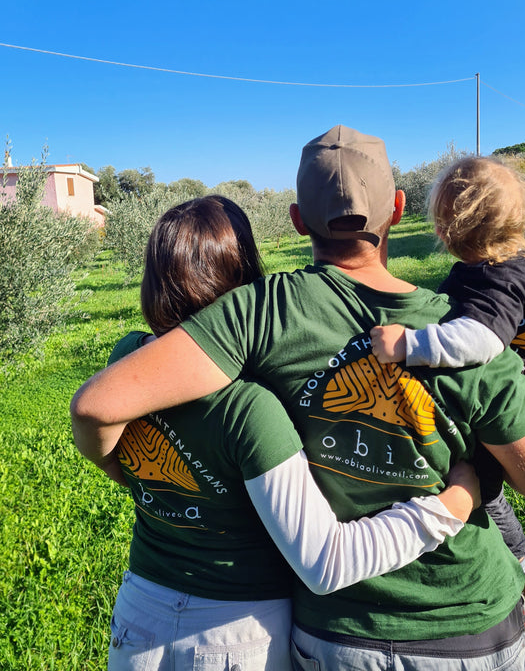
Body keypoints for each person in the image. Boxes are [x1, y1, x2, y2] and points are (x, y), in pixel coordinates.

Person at [71, 126, 525, 671]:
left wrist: (138, 473)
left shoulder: (255, 313)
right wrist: (462, 494)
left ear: (296, 220)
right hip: (473, 623)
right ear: (398, 211)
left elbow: (102, 401)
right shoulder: (466, 330)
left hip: (334, 633)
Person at [90, 195, 480, 671]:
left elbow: (110, 431)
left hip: (139, 611)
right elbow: (326, 562)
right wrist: (454, 503)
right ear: (242, 282)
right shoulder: (250, 408)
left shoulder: (127, 361)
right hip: (234, 630)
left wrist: (122, 470)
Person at [370, 155, 525, 598]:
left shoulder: (498, 282)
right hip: (507, 381)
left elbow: (480, 340)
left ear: (450, 233)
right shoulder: (514, 259)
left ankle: (516, 564)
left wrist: (409, 345)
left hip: (497, 393)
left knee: (485, 487)